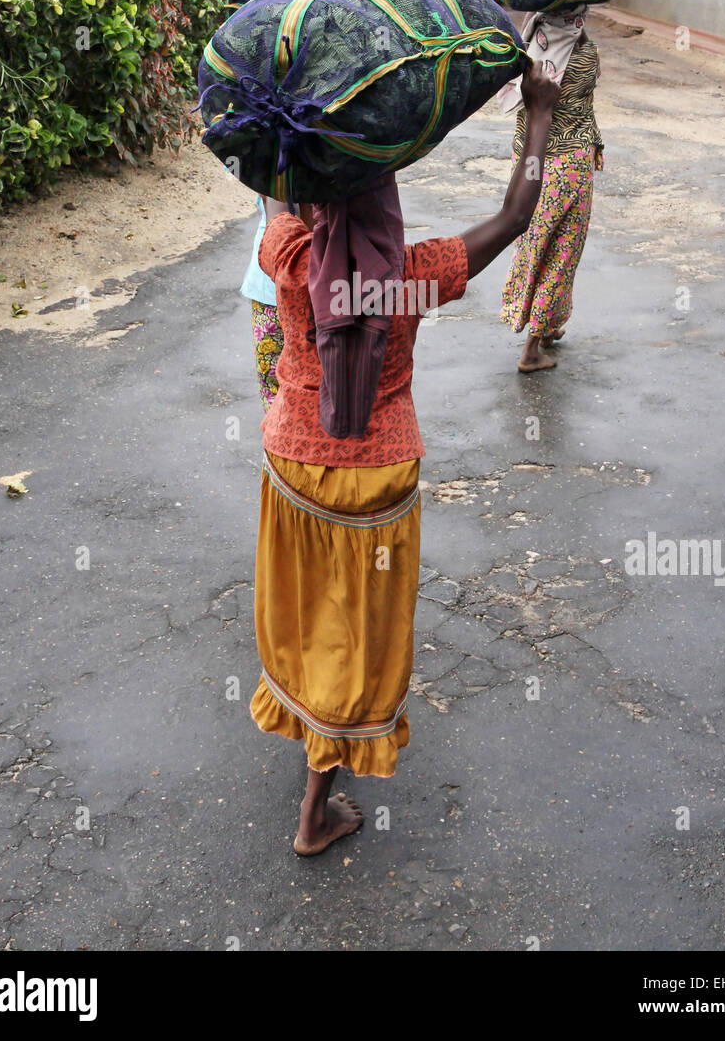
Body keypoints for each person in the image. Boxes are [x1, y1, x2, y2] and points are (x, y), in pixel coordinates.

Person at [249, 60, 559, 856]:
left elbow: (279, 189)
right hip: (377, 477)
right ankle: (315, 807)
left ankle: (312, 756)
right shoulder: (415, 275)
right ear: (386, 204)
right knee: (357, 629)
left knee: (309, 613)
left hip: (290, 459)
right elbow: (519, 214)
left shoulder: (288, 251)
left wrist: (295, 123)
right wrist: (538, 110)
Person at [499, 4, 604, 372]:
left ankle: (545, 329)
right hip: (568, 167)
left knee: (532, 247)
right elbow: (583, 55)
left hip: (527, 165)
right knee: (561, 253)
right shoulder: (585, 58)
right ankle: (531, 350)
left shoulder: (529, 57)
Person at [240, 196, 284, 411]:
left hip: (270, 287)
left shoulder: (267, 164)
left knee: (273, 392)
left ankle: (278, 442)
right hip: (325, 287)